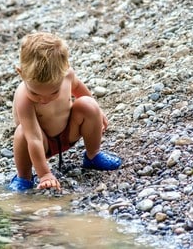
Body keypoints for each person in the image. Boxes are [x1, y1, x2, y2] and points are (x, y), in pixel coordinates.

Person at [7, 32, 121, 192]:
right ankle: (24, 177)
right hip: (42, 143)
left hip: (68, 133)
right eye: (35, 93)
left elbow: (80, 89)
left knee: (89, 104)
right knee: (21, 133)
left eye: (54, 92)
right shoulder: (23, 98)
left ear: (65, 70)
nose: (44, 100)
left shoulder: (67, 76)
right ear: (21, 73)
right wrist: (45, 174)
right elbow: (33, 138)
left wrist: (97, 112)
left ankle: (93, 155)